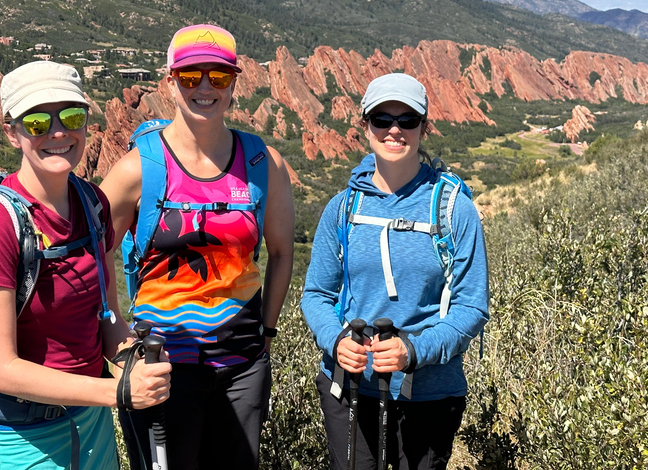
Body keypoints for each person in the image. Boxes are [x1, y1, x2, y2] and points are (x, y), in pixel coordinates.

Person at [0, 60, 171, 470]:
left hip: (89, 421)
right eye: (37, 121)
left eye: (71, 116)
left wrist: (133, 360)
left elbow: (107, 318)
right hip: (21, 439)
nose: (58, 132)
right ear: (11, 132)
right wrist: (119, 393)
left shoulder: (93, 204)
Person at [100, 23, 294, 470]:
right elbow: (94, 253)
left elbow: (282, 253)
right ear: (170, 82)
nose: (204, 87)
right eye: (190, 76)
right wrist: (118, 338)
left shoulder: (263, 163)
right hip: (160, 367)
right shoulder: (139, 169)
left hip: (243, 366)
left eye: (218, 76)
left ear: (234, 82)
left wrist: (265, 333)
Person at [300, 73, 489, 470]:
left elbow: (472, 307)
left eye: (407, 120)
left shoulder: (454, 209)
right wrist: (336, 341)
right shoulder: (342, 208)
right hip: (350, 389)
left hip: (429, 395)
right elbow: (316, 294)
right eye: (382, 119)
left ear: (424, 126)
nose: (394, 130)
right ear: (365, 125)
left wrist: (413, 351)